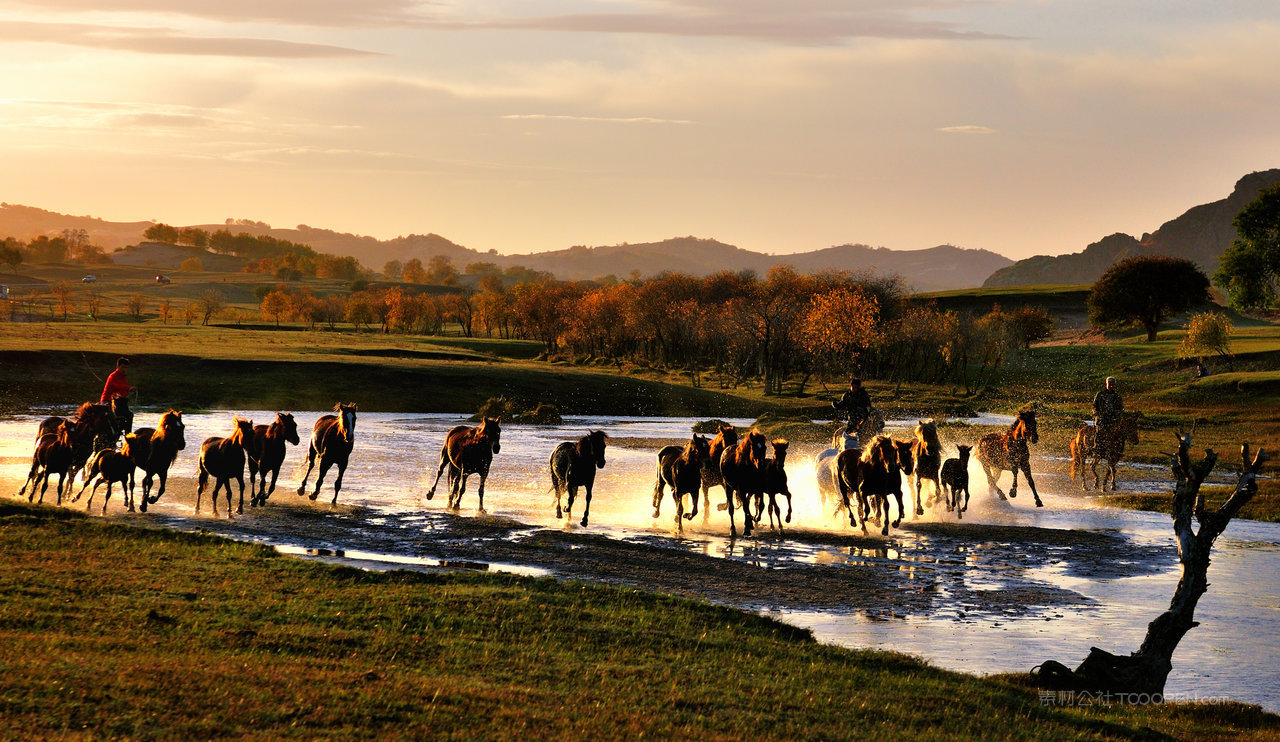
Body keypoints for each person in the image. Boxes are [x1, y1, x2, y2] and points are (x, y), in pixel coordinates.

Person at [1092, 376, 1123, 450]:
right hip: (1101, 418)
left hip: (1113, 419)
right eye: (1110, 384)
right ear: (1106, 384)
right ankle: (1096, 447)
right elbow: (1094, 405)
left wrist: (1118, 414)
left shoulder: (1117, 396)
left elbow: (1120, 408)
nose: (1111, 386)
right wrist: (1095, 411)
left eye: (1113, 384)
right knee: (1100, 432)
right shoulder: (1100, 394)